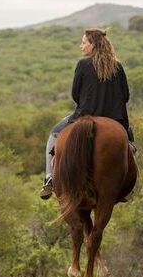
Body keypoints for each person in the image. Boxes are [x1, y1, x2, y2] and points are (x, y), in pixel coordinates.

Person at [40, 28, 135, 200]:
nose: (81, 46)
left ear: (93, 45)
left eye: (84, 42)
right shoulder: (118, 67)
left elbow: (75, 94)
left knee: (54, 135)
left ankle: (49, 179)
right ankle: (127, 186)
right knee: (129, 143)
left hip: (85, 114)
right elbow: (126, 96)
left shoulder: (83, 65)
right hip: (115, 118)